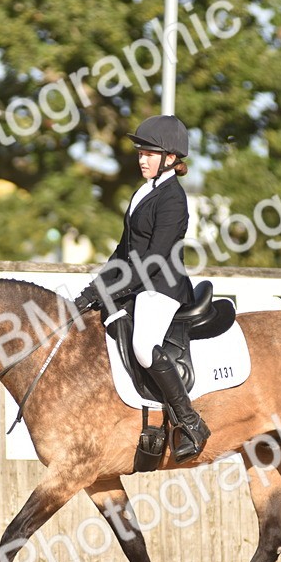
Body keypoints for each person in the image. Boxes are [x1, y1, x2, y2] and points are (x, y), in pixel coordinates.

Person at [74, 115, 210, 461]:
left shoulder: (173, 199)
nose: (142, 158)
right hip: (137, 284)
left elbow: (153, 260)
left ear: (171, 157)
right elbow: (123, 251)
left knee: (144, 347)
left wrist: (113, 289)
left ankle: (190, 421)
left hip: (161, 288)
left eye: (150, 153)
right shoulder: (143, 191)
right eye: (140, 152)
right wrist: (93, 290)